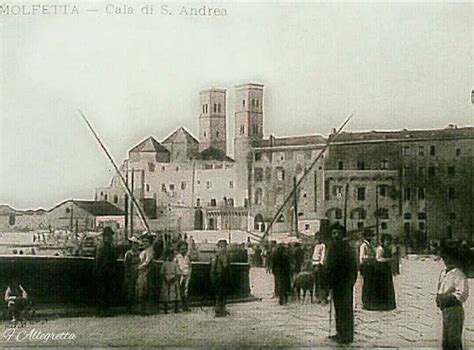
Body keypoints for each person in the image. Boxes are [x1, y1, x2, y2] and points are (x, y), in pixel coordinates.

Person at [325, 223, 358, 345]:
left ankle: (347, 335)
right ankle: (340, 332)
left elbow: (353, 266)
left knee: (346, 309)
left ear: (342, 234)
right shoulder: (332, 247)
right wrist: (328, 281)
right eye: (334, 233)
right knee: (338, 309)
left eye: (338, 233)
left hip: (345, 283)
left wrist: (351, 282)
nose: (336, 235)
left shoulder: (347, 248)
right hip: (335, 283)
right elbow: (329, 266)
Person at [436, 245, 469, 350]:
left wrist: (448, 298)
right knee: (446, 340)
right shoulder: (443, 273)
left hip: (455, 310)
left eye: (449, 258)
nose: (446, 261)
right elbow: (440, 287)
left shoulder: (459, 274)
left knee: (454, 340)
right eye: (444, 258)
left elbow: (462, 294)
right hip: (445, 310)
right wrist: (438, 297)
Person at [94, 226, 117, 317]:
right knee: (103, 292)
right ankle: (103, 310)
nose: (110, 237)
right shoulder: (104, 247)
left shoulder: (104, 246)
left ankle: (103, 310)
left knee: (105, 291)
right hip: (104, 272)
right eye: (108, 236)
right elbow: (99, 261)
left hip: (106, 272)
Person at [372, 234, 396, 311]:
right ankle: (380, 305)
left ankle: (387, 304)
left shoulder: (388, 248)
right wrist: (389, 259)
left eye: (389, 240)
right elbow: (378, 259)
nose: (388, 242)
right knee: (382, 287)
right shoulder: (380, 249)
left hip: (386, 269)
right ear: (383, 241)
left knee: (387, 286)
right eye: (386, 240)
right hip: (380, 269)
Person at [210, 239, 231, 317]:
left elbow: (228, 267)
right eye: (222, 246)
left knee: (224, 294)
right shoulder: (216, 256)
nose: (224, 248)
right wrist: (213, 278)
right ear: (219, 247)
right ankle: (218, 310)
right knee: (219, 294)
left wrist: (229, 276)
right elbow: (213, 268)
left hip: (225, 277)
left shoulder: (227, 256)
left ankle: (223, 308)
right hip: (218, 277)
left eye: (225, 246)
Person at [136, 234, 155, 315]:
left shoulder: (150, 250)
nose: (144, 243)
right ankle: (141, 308)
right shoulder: (144, 250)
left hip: (147, 272)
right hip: (142, 272)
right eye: (143, 241)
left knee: (145, 289)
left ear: (150, 243)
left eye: (146, 241)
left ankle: (146, 309)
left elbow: (147, 261)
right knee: (141, 289)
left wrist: (140, 267)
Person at [123, 236, 140, 313]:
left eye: (136, 244)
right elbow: (126, 265)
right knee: (129, 290)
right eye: (133, 244)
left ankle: (136, 307)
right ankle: (128, 307)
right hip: (130, 273)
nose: (135, 246)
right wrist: (127, 275)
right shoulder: (128, 254)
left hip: (138, 273)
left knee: (137, 290)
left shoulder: (139, 254)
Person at [359, 230, 376, 310]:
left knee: (370, 285)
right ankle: (365, 303)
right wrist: (371, 258)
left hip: (370, 267)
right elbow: (362, 258)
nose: (371, 237)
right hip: (366, 266)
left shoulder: (370, 245)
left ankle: (369, 302)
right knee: (366, 285)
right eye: (369, 236)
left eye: (371, 236)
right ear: (366, 236)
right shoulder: (363, 246)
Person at [160, 249, 181, 314]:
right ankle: (165, 308)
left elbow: (178, 273)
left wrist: (173, 279)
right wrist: (165, 278)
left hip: (173, 279)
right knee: (165, 294)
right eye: (169, 255)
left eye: (172, 255)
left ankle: (176, 308)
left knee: (174, 293)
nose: (170, 256)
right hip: (166, 279)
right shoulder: (165, 263)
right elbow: (161, 272)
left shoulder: (175, 264)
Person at [175, 242, 191, 311]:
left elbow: (189, 266)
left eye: (185, 249)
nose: (184, 250)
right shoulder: (177, 257)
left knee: (185, 290)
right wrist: (179, 273)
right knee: (178, 290)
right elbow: (175, 266)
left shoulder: (187, 257)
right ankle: (178, 306)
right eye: (182, 249)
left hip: (187, 275)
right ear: (179, 249)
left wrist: (189, 273)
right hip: (179, 275)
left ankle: (185, 306)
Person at [312, 235, 328, 304]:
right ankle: (317, 297)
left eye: (318, 238)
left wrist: (320, 264)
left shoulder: (323, 246)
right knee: (316, 282)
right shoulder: (316, 246)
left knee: (321, 282)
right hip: (314, 264)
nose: (317, 239)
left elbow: (323, 256)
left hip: (319, 265)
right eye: (316, 238)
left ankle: (323, 298)